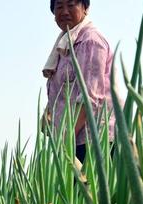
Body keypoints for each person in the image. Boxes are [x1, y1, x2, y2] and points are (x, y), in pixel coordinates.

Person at [42, 0, 115, 165]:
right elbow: (66, 88)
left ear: (85, 8)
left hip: (95, 138)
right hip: (76, 138)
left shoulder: (90, 41)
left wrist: (66, 137)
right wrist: (49, 114)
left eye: (71, 5)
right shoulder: (67, 43)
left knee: (92, 189)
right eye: (59, 7)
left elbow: (89, 97)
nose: (64, 11)